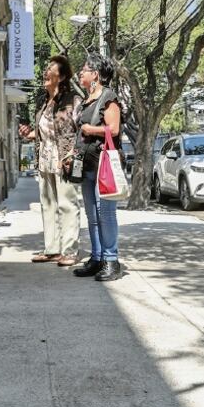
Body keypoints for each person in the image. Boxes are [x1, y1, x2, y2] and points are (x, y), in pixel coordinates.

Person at [18, 56, 83, 266]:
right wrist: (29, 134)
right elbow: (45, 132)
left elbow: (80, 130)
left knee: (67, 204)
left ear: (62, 76)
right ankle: (52, 248)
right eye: (45, 69)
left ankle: (70, 250)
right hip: (45, 159)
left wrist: (72, 153)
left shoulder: (73, 100)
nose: (45, 72)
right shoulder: (43, 101)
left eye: (50, 70)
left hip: (64, 159)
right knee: (47, 204)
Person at [72, 54, 123, 282]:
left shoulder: (108, 98)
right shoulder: (87, 100)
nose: (80, 73)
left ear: (95, 74)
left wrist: (90, 130)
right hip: (86, 165)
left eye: (84, 70)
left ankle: (111, 260)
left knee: (106, 214)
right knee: (92, 215)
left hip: (104, 165)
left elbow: (113, 129)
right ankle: (97, 257)